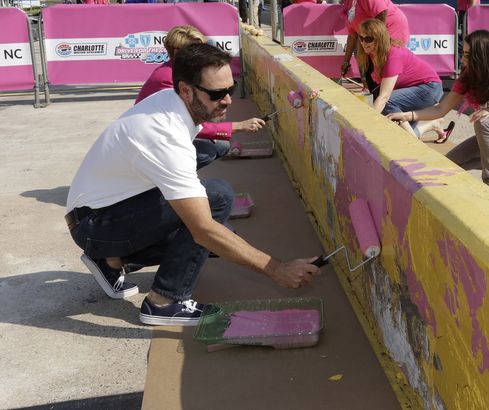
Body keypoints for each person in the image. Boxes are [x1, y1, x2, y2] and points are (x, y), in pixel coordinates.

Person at [66, 43, 320, 326]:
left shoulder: (173, 102)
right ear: (186, 89)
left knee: (221, 222)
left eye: (230, 90)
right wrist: (277, 269)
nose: (227, 101)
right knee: (214, 209)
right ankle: (164, 302)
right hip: (93, 225)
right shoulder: (165, 134)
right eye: (216, 94)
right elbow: (202, 229)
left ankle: (111, 260)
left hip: (101, 213)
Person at [388, 30, 489, 192]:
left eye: (468, 55)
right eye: (463, 53)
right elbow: (441, 109)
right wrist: (407, 115)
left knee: (484, 121)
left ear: (482, 57)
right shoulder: (468, 77)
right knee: (448, 166)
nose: (462, 59)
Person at [136, 25, 265, 169]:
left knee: (220, 145)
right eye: (196, 51)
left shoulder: (177, 71)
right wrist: (239, 126)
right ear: (177, 52)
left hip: (163, 135)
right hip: (153, 143)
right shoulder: (167, 78)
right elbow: (183, 122)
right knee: (208, 152)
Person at [356, 19, 445, 140]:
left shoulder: (393, 54)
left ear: (379, 38)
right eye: (361, 38)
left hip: (429, 89)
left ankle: (414, 143)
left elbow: (384, 97)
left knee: (387, 103)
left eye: (368, 39)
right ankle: (432, 124)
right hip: (413, 90)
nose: (363, 43)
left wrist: (366, 126)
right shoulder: (372, 53)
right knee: (398, 135)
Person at [329, 0, 410, 78]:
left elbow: (381, 12)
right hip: (376, 31)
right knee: (369, 70)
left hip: (391, 26)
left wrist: (377, 39)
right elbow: (352, 35)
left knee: (387, 65)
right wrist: (346, 61)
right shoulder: (348, 1)